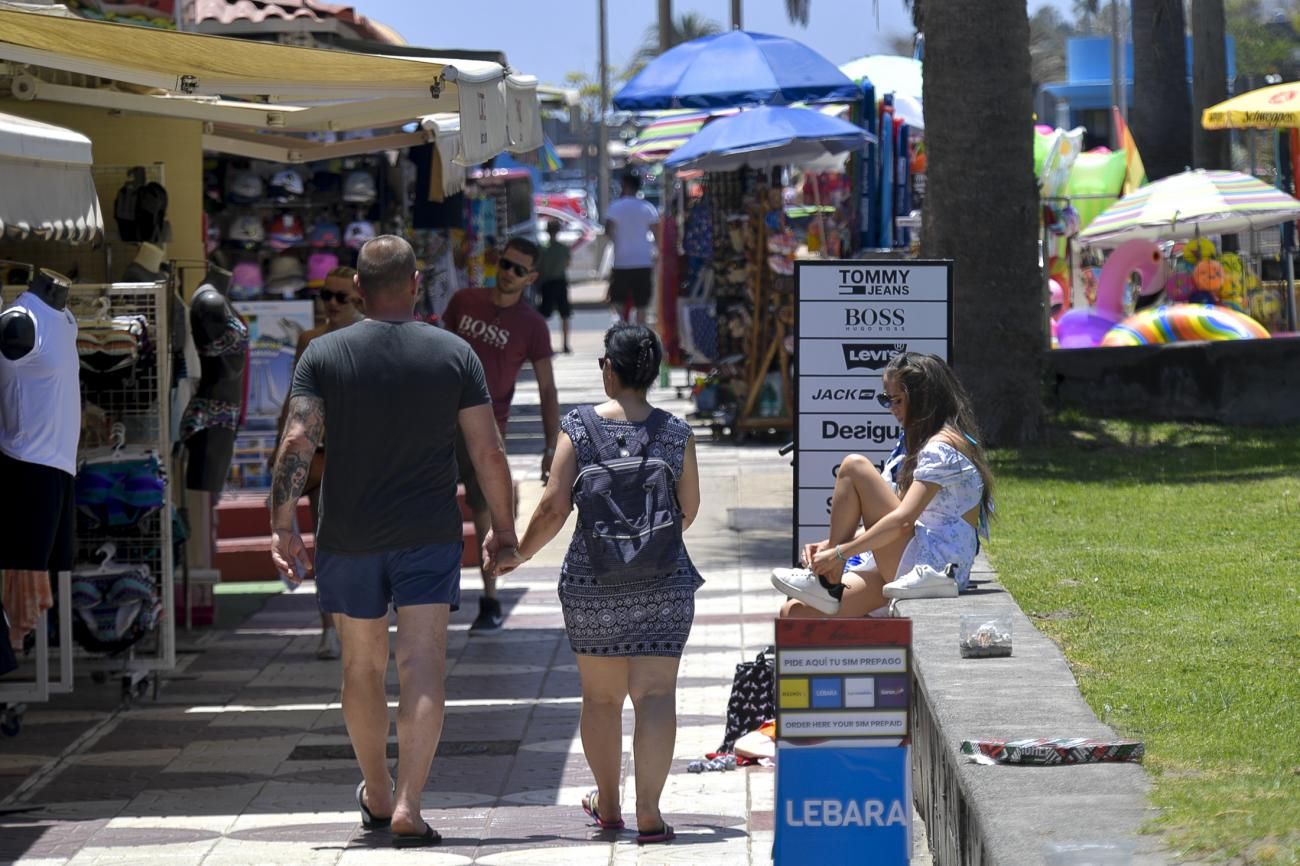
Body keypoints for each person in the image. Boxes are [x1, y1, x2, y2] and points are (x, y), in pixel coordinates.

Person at [270, 235, 518, 849]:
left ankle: (376, 791)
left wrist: (282, 523)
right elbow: (488, 450)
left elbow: (298, 441)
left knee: (361, 666)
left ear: (357, 288)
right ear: (414, 284)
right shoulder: (454, 353)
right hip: (429, 534)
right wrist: (504, 529)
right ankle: (410, 803)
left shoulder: (322, 354)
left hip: (348, 534)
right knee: (422, 666)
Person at [498, 324, 701, 845]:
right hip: (664, 579)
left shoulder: (579, 428)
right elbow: (689, 510)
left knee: (602, 699)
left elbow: (552, 506)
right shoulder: (677, 432)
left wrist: (518, 553)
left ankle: (608, 805)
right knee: (656, 695)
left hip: (594, 583)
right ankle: (650, 813)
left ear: (610, 368)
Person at [771, 352, 994, 616]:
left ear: (923, 399)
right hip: (911, 558)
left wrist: (838, 552)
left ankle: (828, 581)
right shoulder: (922, 443)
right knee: (795, 613)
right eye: (885, 400)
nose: (892, 409)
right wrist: (831, 545)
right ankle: (828, 585)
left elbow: (902, 521)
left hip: (933, 568)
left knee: (854, 467)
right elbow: (898, 524)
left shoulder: (940, 448)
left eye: (897, 400)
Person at [442, 236, 559, 632]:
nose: (508, 274)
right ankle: (429, 592)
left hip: (490, 429)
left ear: (532, 277)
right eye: (505, 265)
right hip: (440, 421)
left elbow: (547, 387)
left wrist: (550, 445)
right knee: (431, 510)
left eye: (518, 270)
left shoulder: (532, 325)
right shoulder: (464, 302)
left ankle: (489, 599)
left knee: (485, 514)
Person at [271, 266, 364, 660]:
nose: (330, 303)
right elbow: (295, 402)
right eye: (326, 295)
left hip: (363, 459)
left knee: (361, 544)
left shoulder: (369, 341)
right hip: (321, 458)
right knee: (324, 542)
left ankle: (360, 622)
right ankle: (330, 627)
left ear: (360, 300)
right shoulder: (311, 340)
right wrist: (281, 455)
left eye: (340, 297)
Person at [605, 172, 660, 325]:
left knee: (618, 299)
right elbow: (657, 232)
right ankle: (641, 332)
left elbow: (608, 230)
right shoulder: (647, 207)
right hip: (643, 260)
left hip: (622, 261)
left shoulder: (615, 206)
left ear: (626, 186)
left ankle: (623, 327)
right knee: (642, 303)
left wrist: (618, 240)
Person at [536, 219, 573, 353]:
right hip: (560, 282)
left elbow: (538, 266)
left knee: (544, 316)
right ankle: (565, 345)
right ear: (558, 231)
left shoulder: (542, 248)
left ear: (547, 231)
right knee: (564, 315)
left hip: (547, 283)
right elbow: (567, 264)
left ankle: (544, 343)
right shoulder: (564, 248)